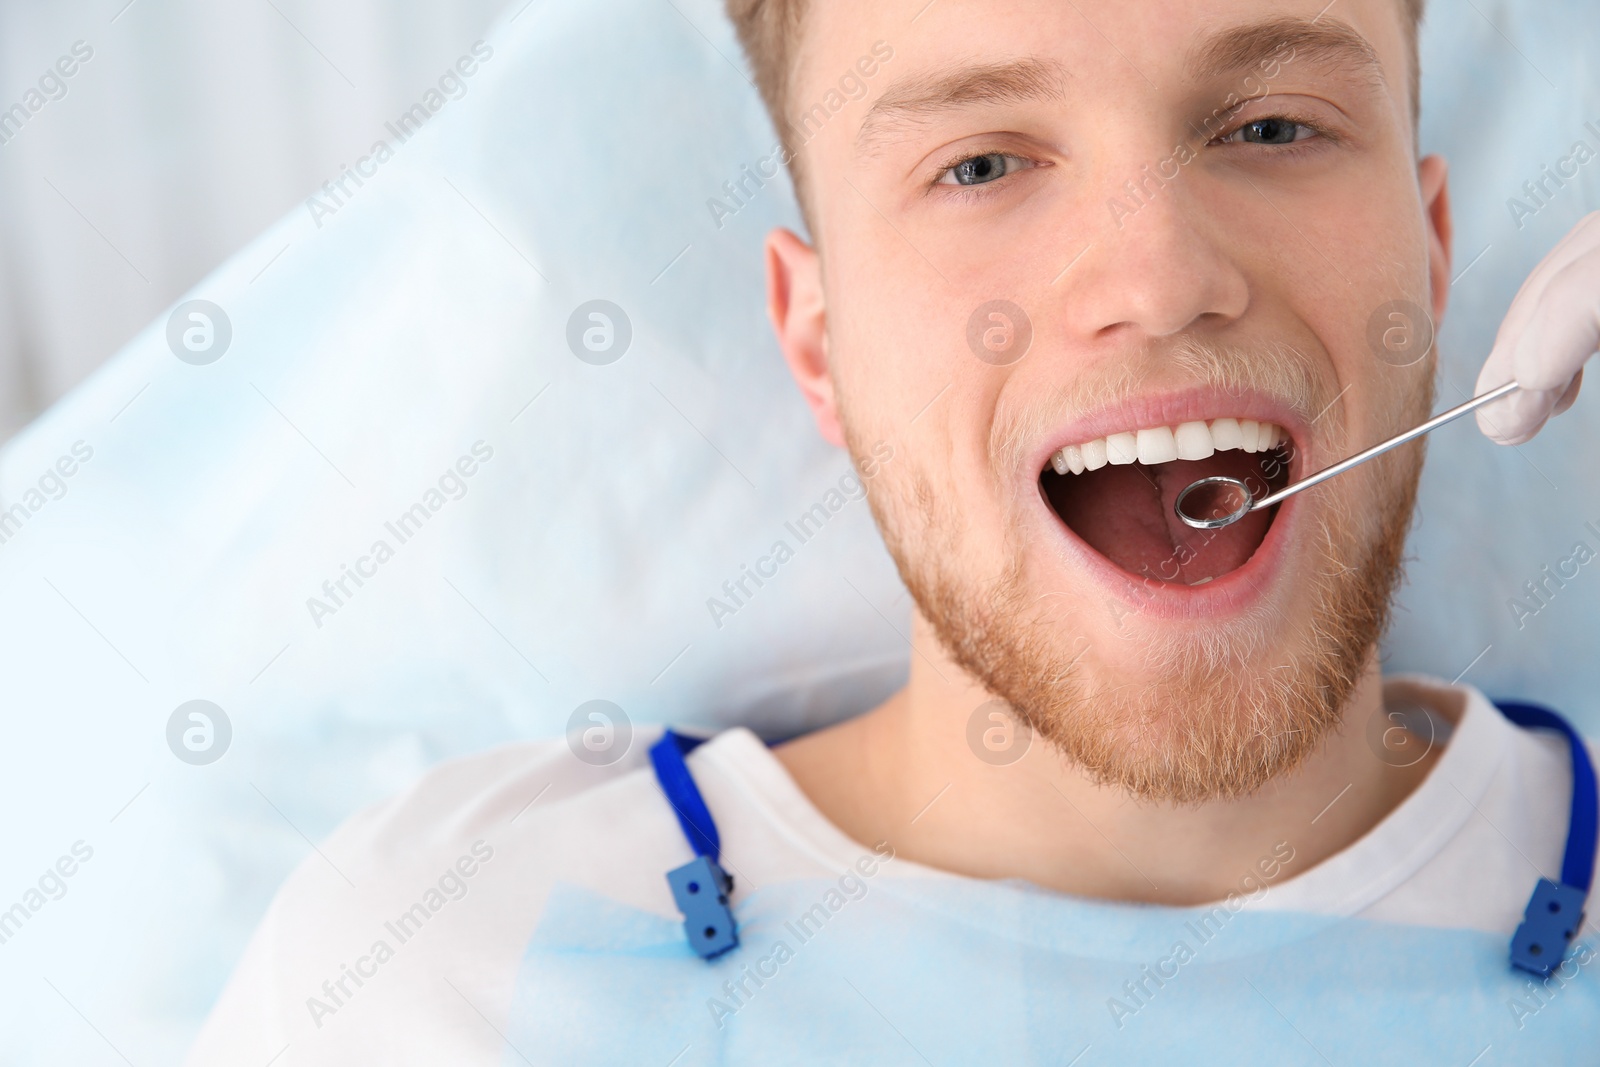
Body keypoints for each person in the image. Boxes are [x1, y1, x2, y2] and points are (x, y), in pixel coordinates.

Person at [187, 0, 1600, 1061]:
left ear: (1430, 252)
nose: (1160, 279)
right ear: (819, 347)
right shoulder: (435, 972)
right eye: (983, 164)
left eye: (1273, 127)